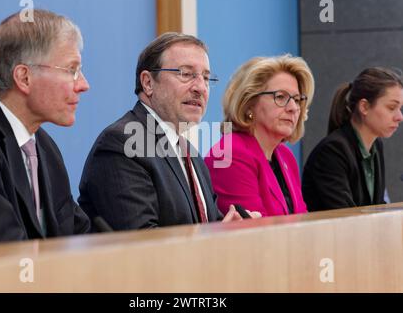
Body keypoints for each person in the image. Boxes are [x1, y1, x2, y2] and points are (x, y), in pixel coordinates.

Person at [79, 32, 253, 231]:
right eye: (186, 74)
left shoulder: (191, 155)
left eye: (206, 78)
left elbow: (208, 229)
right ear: (148, 82)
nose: (200, 88)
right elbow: (142, 244)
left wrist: (228, 230)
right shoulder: (123, 144)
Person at [0, 9, 91, 246]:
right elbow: (2, 249)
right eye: (72, 70)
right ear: (24, 77)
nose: (83, 85)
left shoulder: (44, 147)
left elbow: (79, 235)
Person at [205, 55, 314, 217]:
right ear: (249, 103)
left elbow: (302, 218)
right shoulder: (229, 154)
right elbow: (254, 232)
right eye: (280, 97)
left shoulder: (286, 157)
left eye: (297, 100)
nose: (293, 108)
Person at [303, 67, 403, 211]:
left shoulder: (376, 145)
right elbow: (345, 216)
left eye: (400, 108)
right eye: (391, 107)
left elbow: (377, 207)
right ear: (364, 107)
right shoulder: (332, 151)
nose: (400, 117)